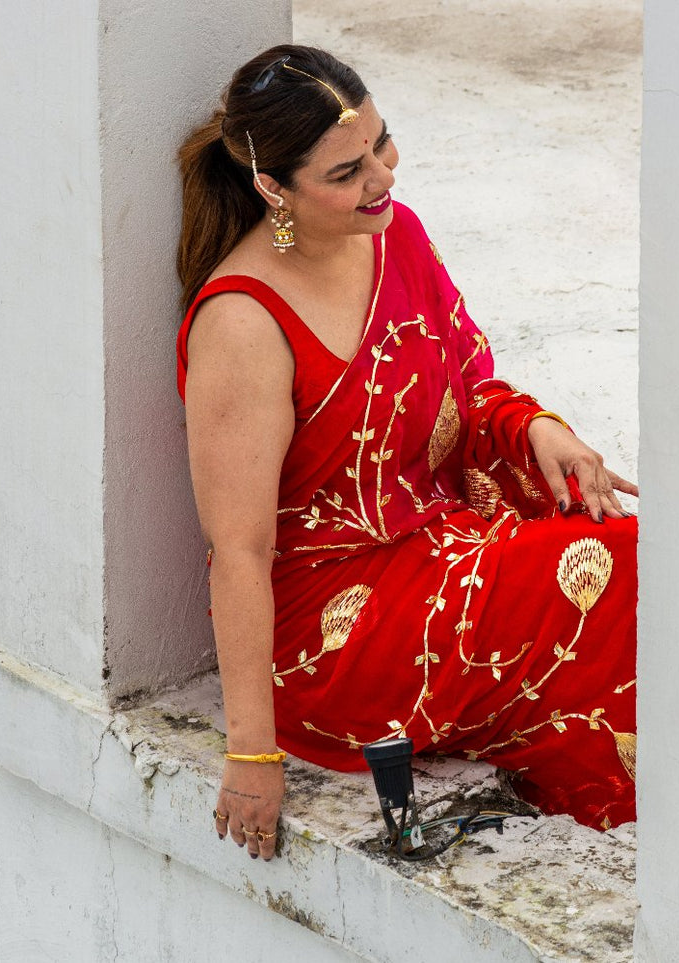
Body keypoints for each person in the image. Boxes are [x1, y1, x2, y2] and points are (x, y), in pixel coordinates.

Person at [175, 45, 638, 862]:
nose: (383, 177)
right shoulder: (244, 323)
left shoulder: (396, 235)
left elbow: (466, 388)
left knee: (602, 531)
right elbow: (238, 550)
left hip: (437, 537)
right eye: (346, 171)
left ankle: (619, 787)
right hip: (333, 628)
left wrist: (535, 429)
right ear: (272, 188)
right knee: (618, 566)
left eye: (382, 144)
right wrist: (251, 752)